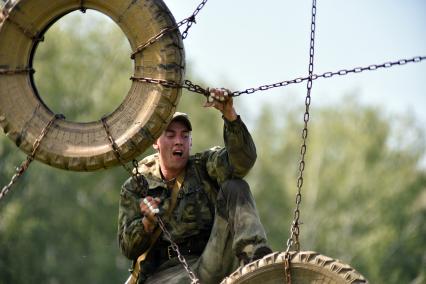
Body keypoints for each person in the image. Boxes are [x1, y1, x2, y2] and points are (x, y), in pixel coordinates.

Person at [118, 88, 272, 284]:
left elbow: (241, 162)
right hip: (164, 275)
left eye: (184, 136)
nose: (178, 142)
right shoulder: (137, 185)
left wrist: (230, 115)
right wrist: (147, 223)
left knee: (235, 186)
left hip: (209, 261)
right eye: (170, 135)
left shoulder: (204, 168)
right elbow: (127, 248)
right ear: (156, 142)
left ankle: (258, 263)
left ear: (191, 142)